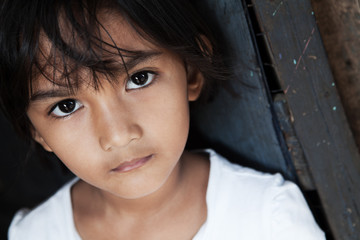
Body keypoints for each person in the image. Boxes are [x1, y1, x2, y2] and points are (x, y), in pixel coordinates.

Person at [0, 0, 325, 239]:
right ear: (35, 131)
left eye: (139, 79)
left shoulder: (269, 219)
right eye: (67, 105)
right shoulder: (35, 234)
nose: (117, 135)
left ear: (192, 71)